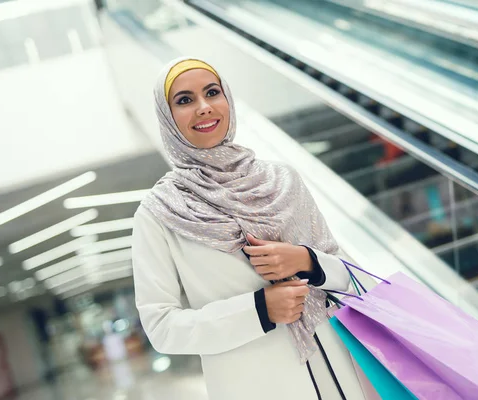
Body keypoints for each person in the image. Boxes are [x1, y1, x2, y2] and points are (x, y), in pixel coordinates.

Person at [131, 57, 374, 400]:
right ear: (167, 117)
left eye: (212, 92)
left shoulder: (283, 180)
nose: (203, 108)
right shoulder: (160, 213)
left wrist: (307, 261)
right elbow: (161, 327)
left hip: (341, 380)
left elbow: (353, 278)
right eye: (184, 100)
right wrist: (258, 310)